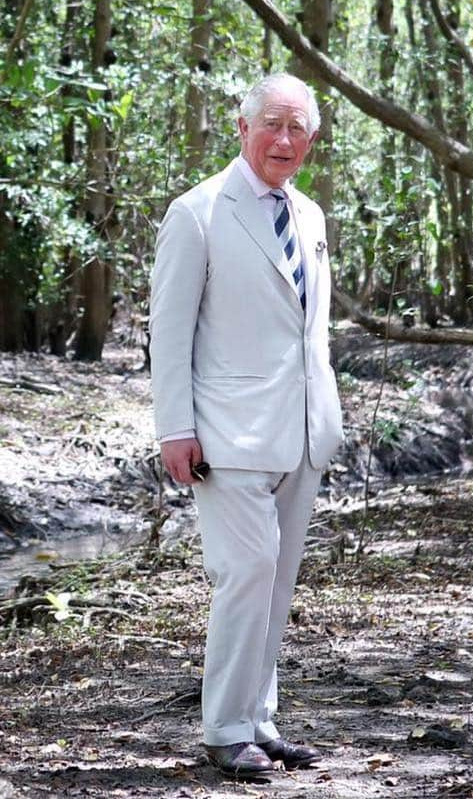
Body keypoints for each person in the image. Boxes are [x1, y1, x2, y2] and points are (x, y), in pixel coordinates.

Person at [149, 72, 345, 778]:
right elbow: (167, 333)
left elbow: (308, 332)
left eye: (298, 129)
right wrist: (175, 427)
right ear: (242, 127)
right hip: (224, 434)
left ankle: (260, 720)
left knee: (278, 579)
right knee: (246, 572)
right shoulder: (198, 213)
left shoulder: (312, 218)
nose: (284, 140)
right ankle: (225, 729)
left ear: (312, 140)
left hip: (301, 431)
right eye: (272, 124)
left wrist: (326, 415)